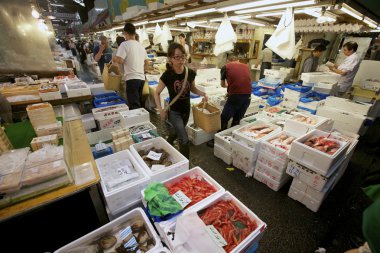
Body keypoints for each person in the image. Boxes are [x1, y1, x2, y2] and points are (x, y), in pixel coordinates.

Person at [154, 43, 207, 158]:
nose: (180, 60)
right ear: (170, 58)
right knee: (184, 139)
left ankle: (167, 143)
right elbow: (156, 93)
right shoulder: (167, 75)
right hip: (174, 112)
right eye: (176, 57)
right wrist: (161, 110)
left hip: (186, 110)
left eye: (182, 56)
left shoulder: (190, 73)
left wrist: (203, 93)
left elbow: (192, 88)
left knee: (176, 131)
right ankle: (185, 165)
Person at [113, 23, 149, 109]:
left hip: (131, 79)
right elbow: (147, 62)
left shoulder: (124, 44)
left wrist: (114, 58)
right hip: (141, 79)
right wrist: (142, 72)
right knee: (140, 104)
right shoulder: (141, 46)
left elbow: (120, 60)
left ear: (125, 33)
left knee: (134, 105)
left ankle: (137, 121)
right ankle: (142, 121)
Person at [220, 54, 252, 130]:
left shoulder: (226, 67)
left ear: (228, 61)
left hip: (235, 96)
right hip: (248, 96)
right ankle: (233, 135)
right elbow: (243, 81)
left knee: (224, 117)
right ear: (238, 60)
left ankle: (220, 135)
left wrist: (229, 88)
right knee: (237, 118)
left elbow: (222, 84)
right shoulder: (246, 66)